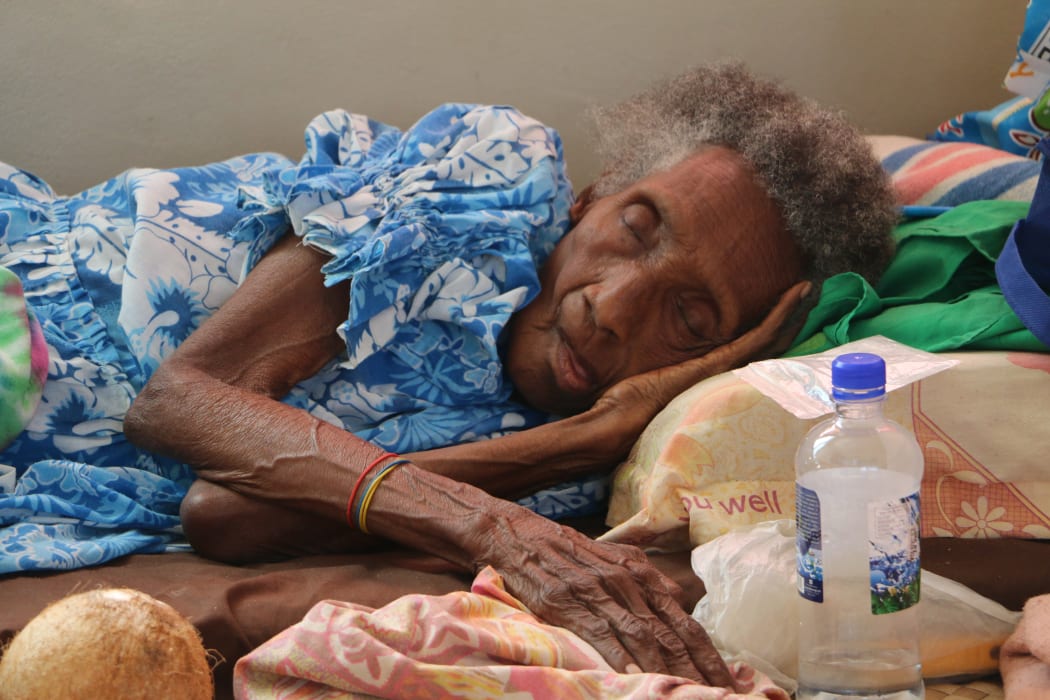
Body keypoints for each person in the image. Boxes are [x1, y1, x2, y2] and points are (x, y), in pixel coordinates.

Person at [0, 62, 896, 688]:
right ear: (591, 196)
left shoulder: (569, 469)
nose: (615, 307)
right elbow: (182, 402)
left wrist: (581, 441)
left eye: (690, 319)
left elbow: (225, 515)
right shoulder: (485, 183)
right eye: (635, 227)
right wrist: (495, 531)